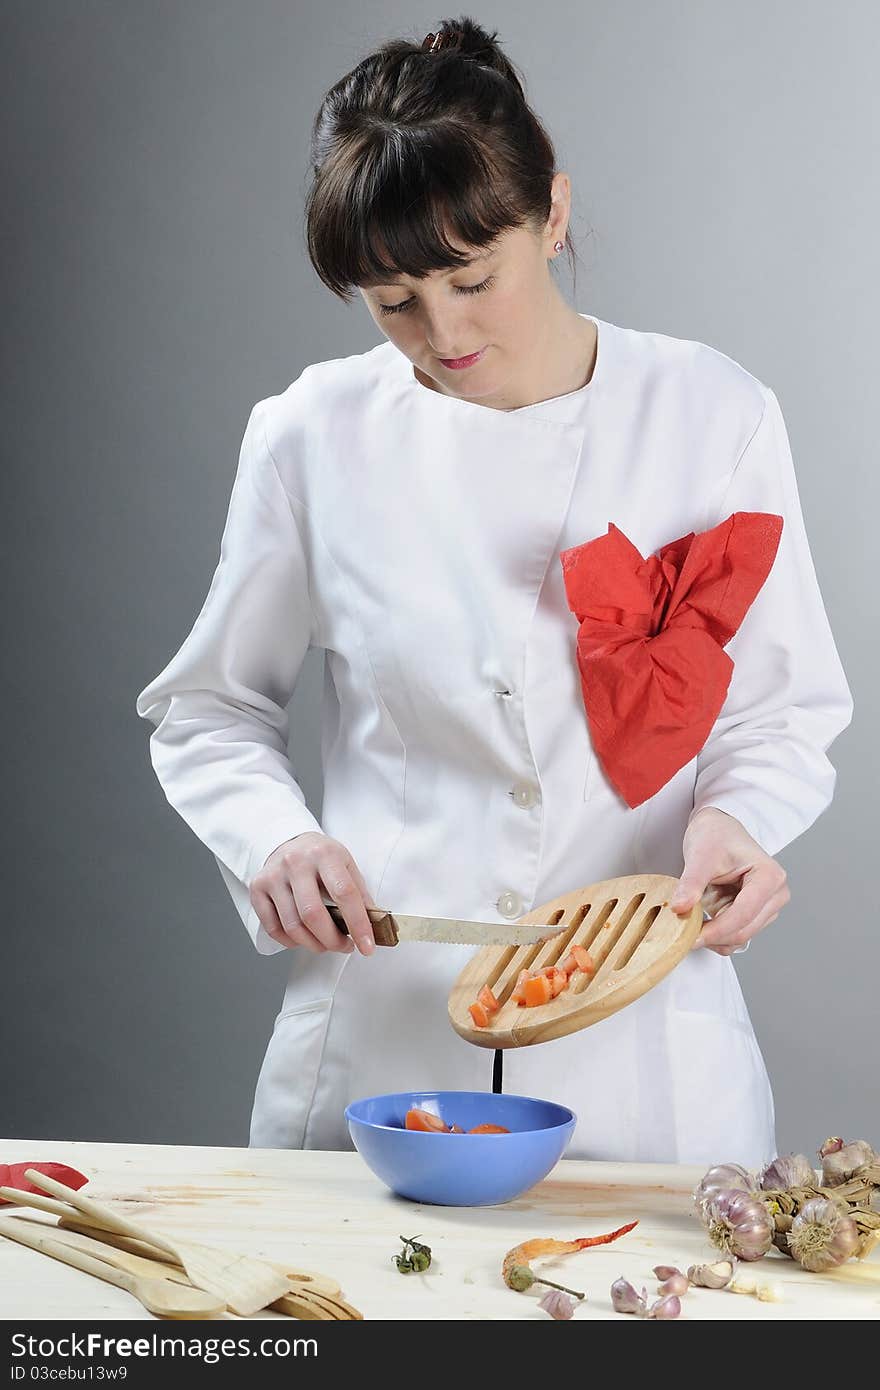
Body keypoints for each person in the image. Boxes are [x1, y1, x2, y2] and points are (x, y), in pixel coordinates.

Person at [135, 17, 852, 1166]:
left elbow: (779, 706)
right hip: (384, 1037)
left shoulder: (713, 413)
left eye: (472, 277)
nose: (443, 332)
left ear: (552, 214)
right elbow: (210, 707)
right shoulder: (310, 435)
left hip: (643, 1042)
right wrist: (275, 841)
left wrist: (733, 826)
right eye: (392, 301)